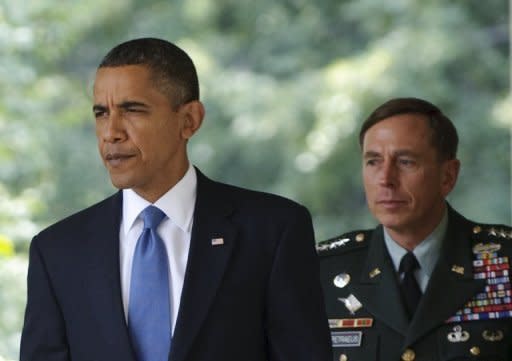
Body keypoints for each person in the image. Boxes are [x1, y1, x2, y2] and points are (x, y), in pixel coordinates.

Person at [20, 37, 332, 361]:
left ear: (189, 121)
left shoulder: (273, 231)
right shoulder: (57, 251)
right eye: (101, 113)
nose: (110, 132)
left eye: (132, 110)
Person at [317, 97, 512, 361]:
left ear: (448, 175)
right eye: (373, 161)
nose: (385, 179)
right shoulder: (321, 272)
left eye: (406, 161)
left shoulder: (505, 261)